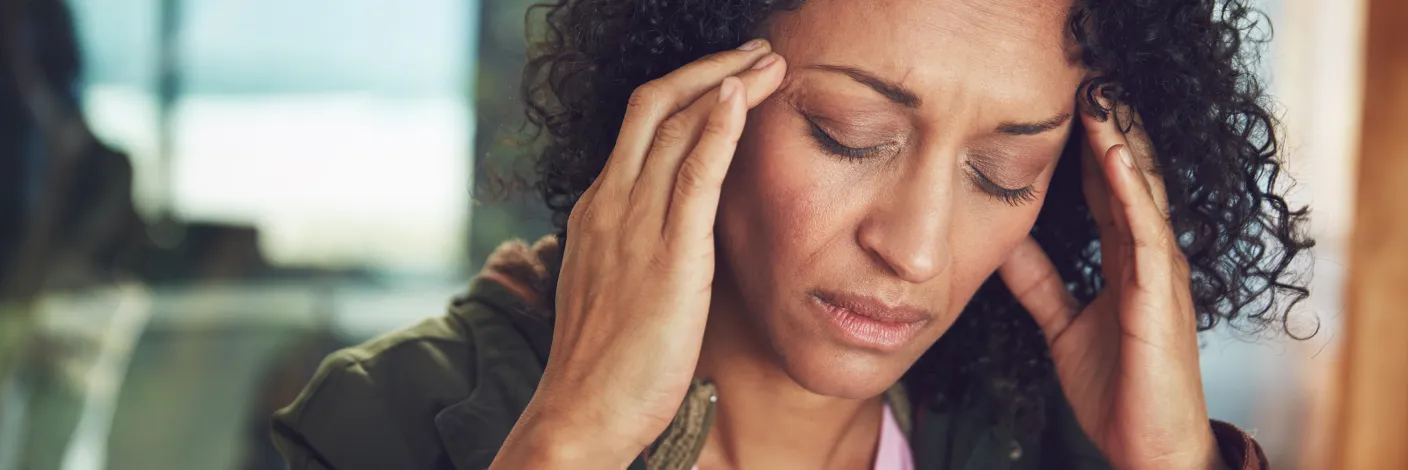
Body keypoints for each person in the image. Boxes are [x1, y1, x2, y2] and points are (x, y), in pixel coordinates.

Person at [271, 0, 1313, 468]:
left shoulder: (1044, 444)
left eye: (1005, 171)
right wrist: (571, 443)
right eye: (847, 134)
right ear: (689, 85)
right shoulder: (377, 425)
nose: (914, 248)